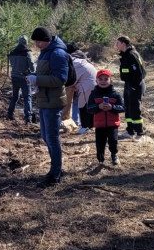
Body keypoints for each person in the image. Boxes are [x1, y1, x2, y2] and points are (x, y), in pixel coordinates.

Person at [27, 26, 68, 188]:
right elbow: (46, 74)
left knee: (51, 138)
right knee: (46, 136)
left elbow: (60, 79)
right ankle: (54, 170)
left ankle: (56, 173)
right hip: (44, 100)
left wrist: (37, 80)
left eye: (38, 41)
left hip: (53, 102)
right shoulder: (45, 52)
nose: (36, 45)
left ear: (46, 40)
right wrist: (34, 77)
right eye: (35, 42)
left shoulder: (57, 53)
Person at [85, 69, 124, 166]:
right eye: (100, 79)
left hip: (113, 123)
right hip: (99, 124)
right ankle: (101, 160)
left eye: (106, 79)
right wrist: (98, 107)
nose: (103, 81)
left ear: (110, 80)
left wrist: (112, 107)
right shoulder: (94, 94)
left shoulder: (115, 94)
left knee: (113, 141)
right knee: (100, 143)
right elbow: (89, 108)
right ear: (96, 80)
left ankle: (114, 155)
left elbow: (123, 107)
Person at [116, 36, 146, 141]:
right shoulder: (125, 55)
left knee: (135, 109)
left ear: (123, 43)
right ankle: (130, 131)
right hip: (128, 85)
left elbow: (139, 74)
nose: (116, 45)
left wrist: (134, 86)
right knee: (128, 108)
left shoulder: (132, 55)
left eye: (118, 43)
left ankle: (140, 133)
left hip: (135, 86)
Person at [66, 44, 98, 135]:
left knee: (83, 107)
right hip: (90, 85)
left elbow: (72, 79)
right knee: (89, 106)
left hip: (86, 86)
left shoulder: (76, 63)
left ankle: (85, 126)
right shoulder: (80, 59)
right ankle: (90, 126)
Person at [6, 37, 34, 124]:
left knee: (15, 96)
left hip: (14, 76)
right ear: (26, 42)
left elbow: (12, 64)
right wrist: (32, 72)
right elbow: (32, 67)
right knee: (27, 97)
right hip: (24, 77)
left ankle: (9, 114)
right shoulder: (27, 53)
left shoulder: (12, 52)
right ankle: (28, 118)